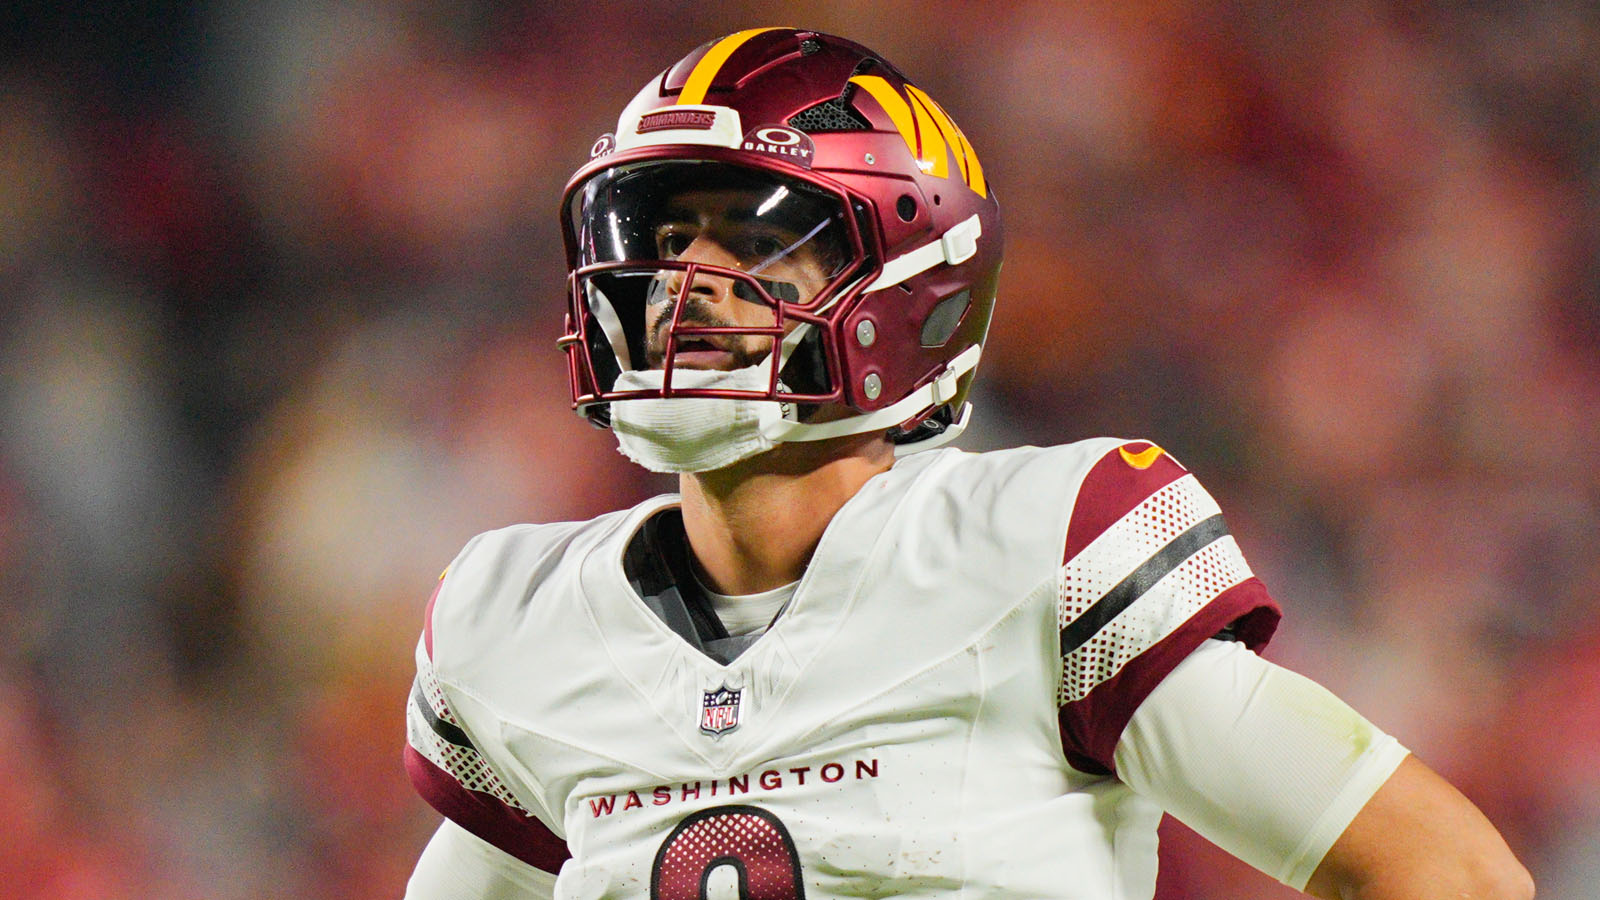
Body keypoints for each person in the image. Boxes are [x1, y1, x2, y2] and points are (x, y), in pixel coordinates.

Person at [402, 27, 1533, 900]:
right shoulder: (519, 625)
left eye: (753, 242)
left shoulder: (1034, 548)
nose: (685, 281)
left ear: (905, 287)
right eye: (661, 238)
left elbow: (1447, 873)